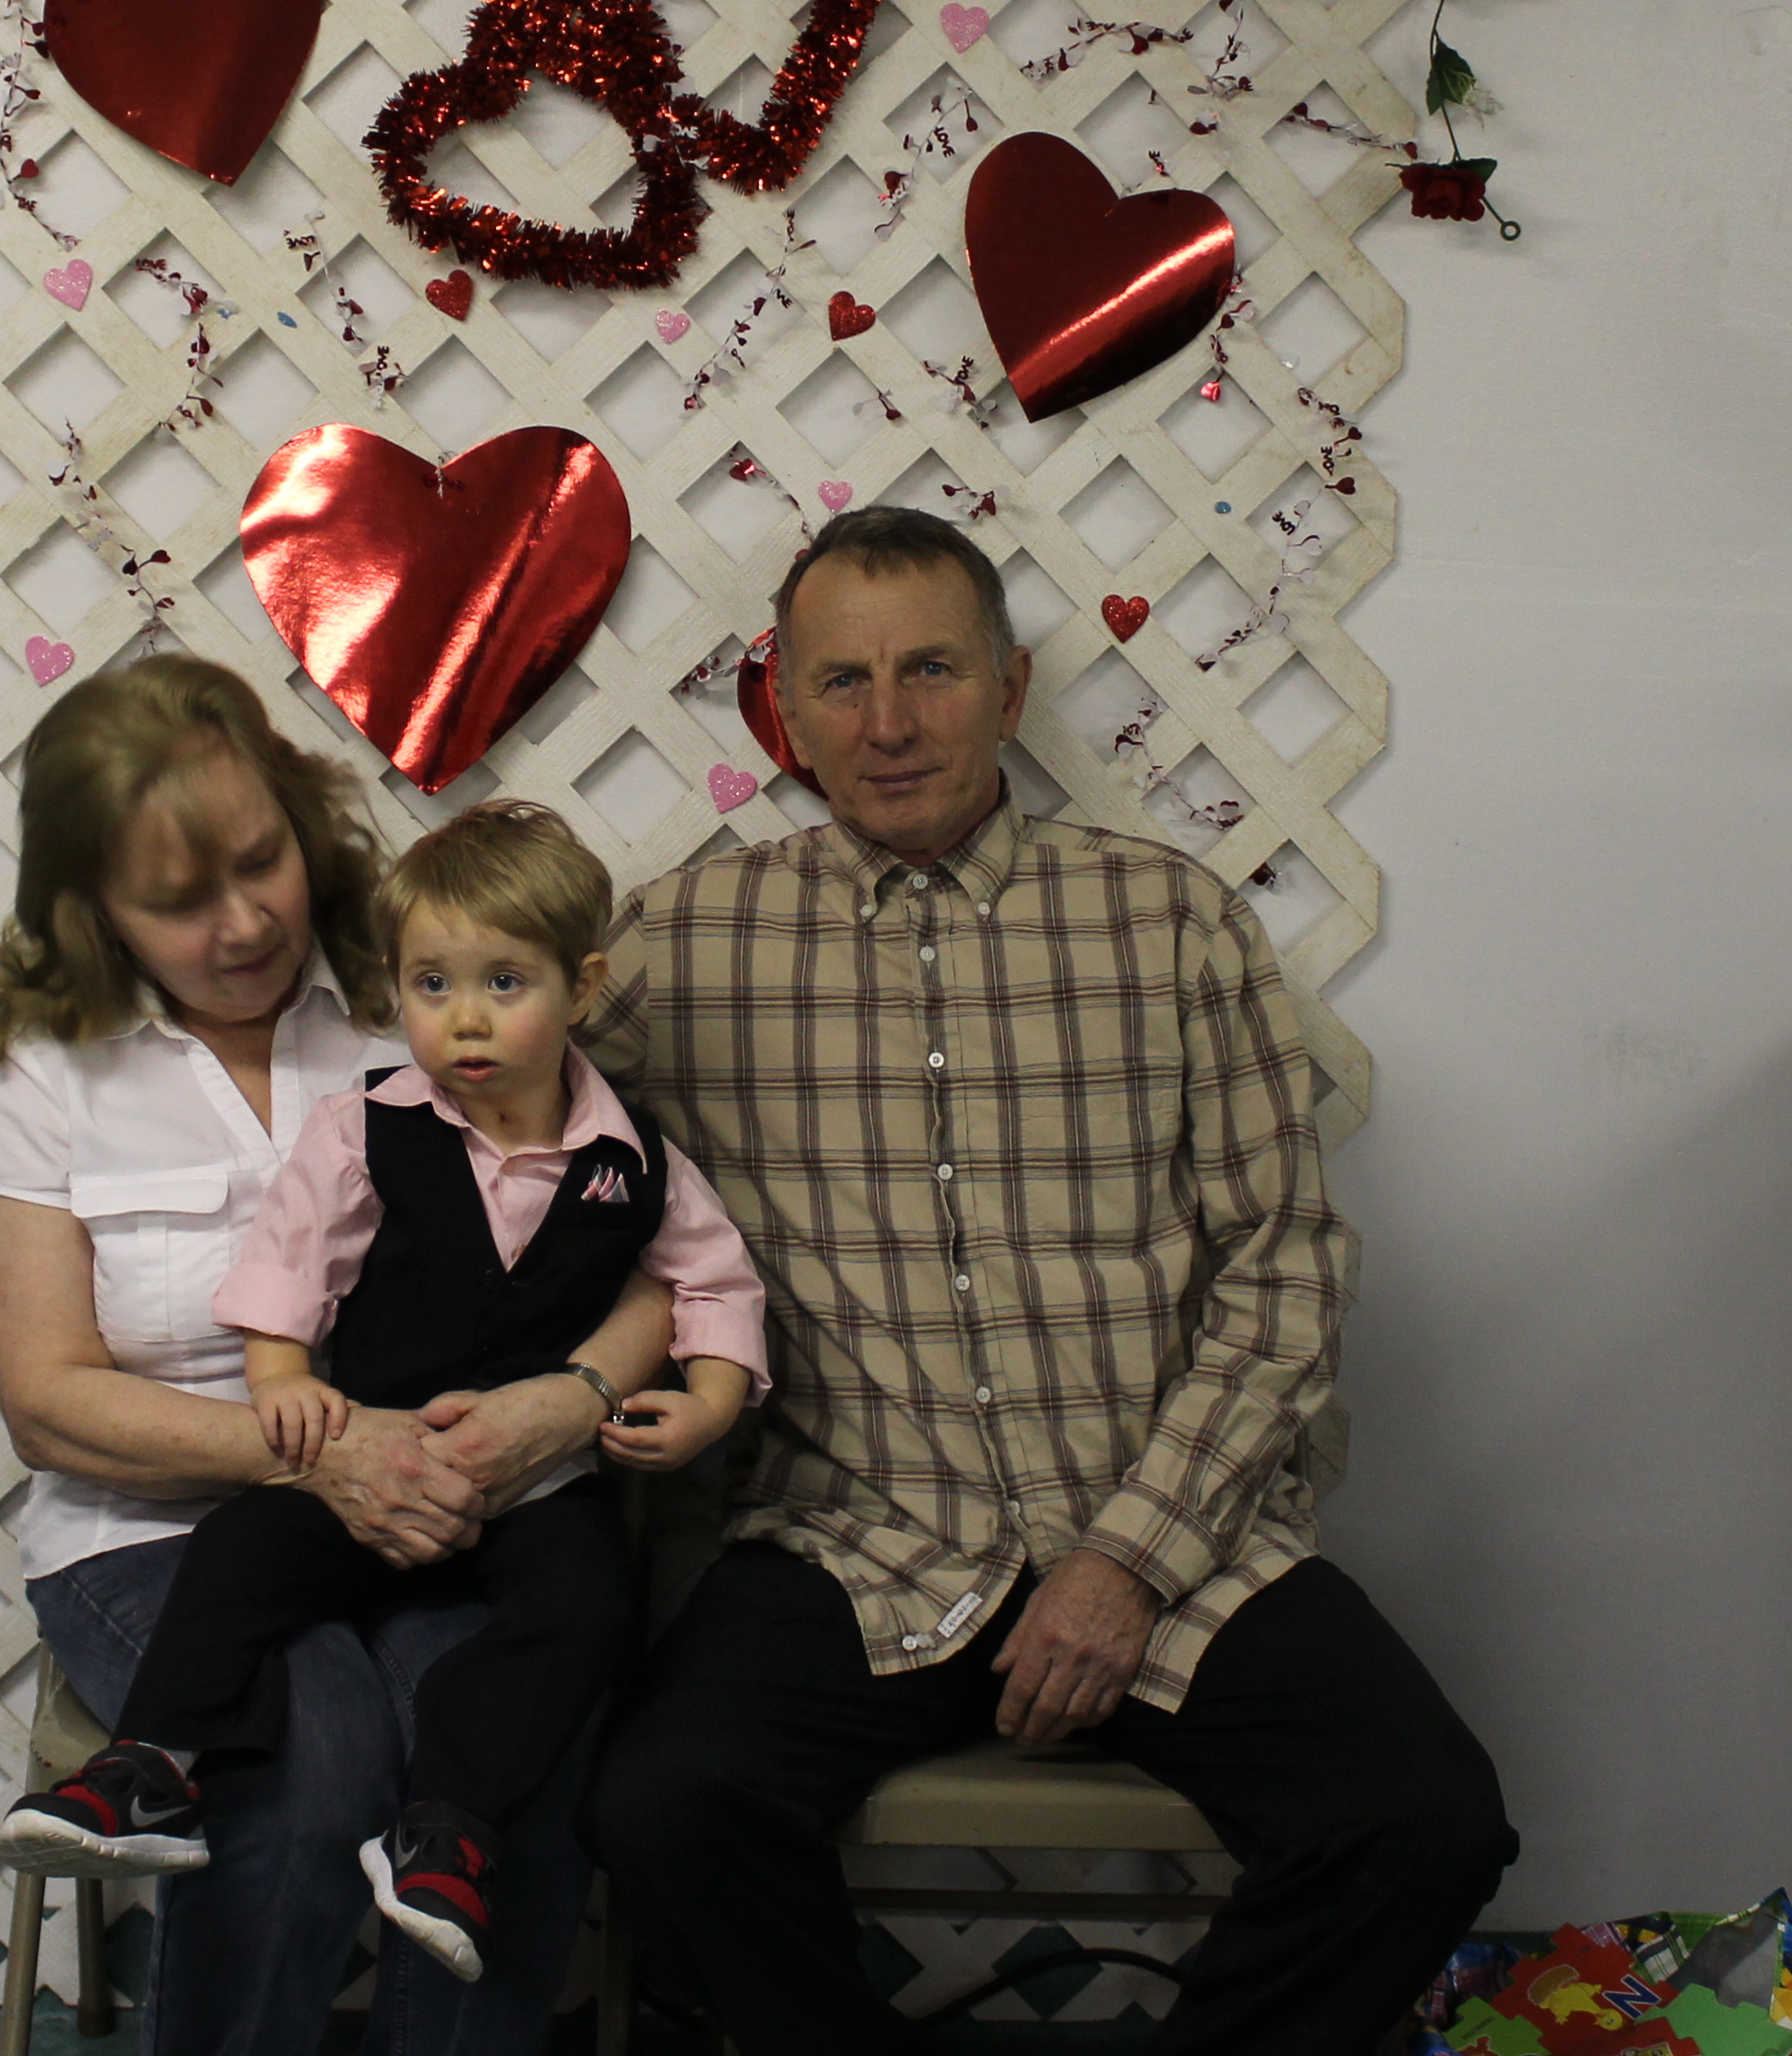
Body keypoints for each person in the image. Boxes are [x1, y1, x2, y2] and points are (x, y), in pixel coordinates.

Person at [582, 505, 1518, 2054]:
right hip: (854, 1534)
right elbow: (518, 1158)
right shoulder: (683, 944)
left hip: (1164, 1529)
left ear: (1011, 690)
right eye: (843, 681)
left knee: (1424, 1819)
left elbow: (1284, 1269)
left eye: (933, 670)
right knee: (663, 1806)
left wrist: (1127, 1564)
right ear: (788, 708)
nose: (889, 724)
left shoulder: (1172, 922)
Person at [0, 656, 675, 2056]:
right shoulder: (47, 1059)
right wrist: (333, 1452)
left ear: (303, 820)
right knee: (310, 1749)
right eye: (178, 899)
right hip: (150, 1529)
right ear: (93, 908)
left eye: (261, 862)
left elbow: (637, 1243)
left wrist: (569, 1398)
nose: (242, 924)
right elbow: (47, 1403)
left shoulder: (425, 986)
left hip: (451, 1504)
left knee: (510, 1742)